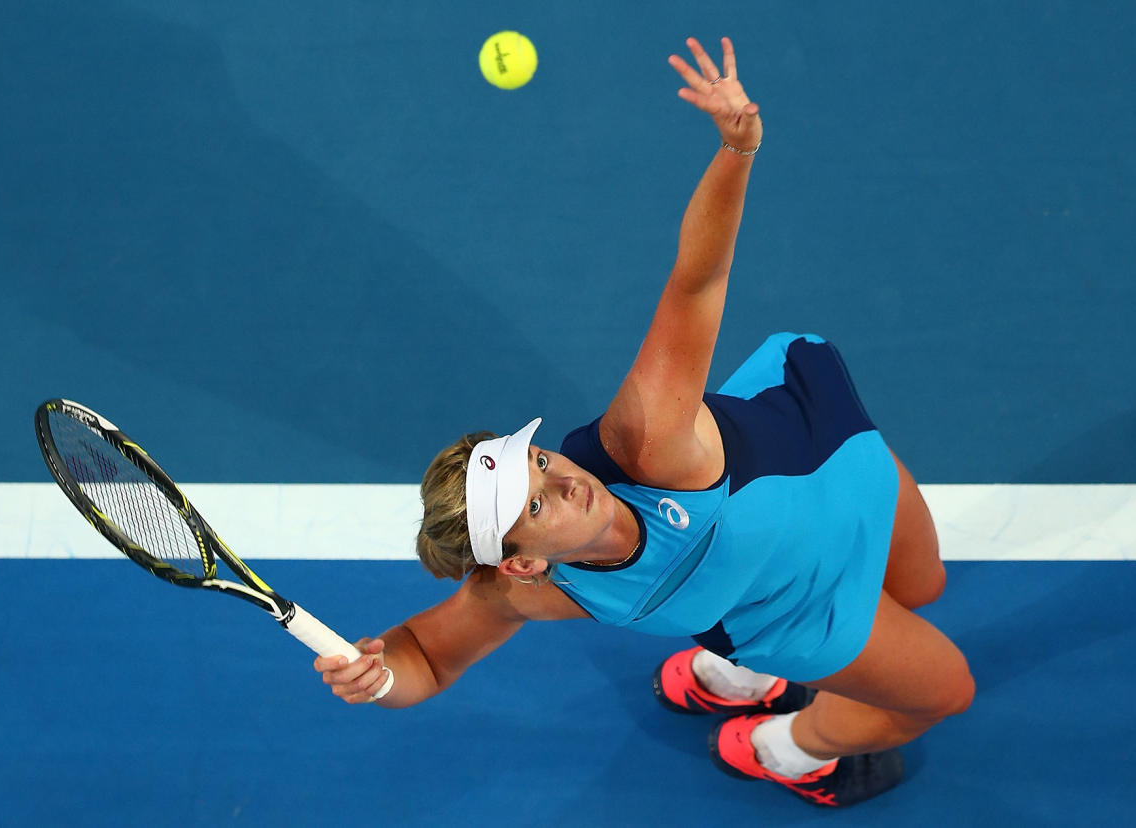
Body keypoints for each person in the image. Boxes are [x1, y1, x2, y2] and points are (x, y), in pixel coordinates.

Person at [315, 36, 974, 808]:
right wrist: (379, 675)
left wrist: (737, 149)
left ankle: (736, 679)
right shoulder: (522, 595)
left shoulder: (645, 443)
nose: (566, 482)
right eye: (536, 506)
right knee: (943, 693)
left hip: (832, 461)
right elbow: (424, 655)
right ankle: (790, 747)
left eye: (541, 464)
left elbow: (697, 281)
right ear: (522, 564)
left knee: (923, 586)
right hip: (794, 611)